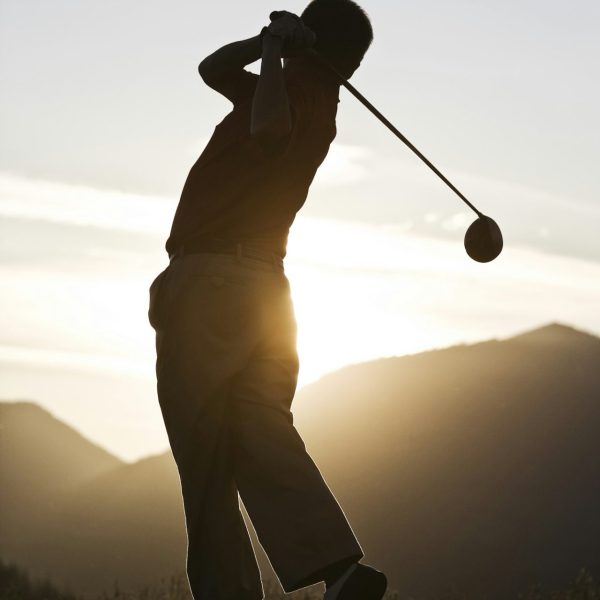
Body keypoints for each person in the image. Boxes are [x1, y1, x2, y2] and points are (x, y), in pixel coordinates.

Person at [147, 2, 387, 599]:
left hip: (213, 286)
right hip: (264, 296)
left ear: (311, 40)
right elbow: (211, 68)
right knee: (260, 431)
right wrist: (264, 43)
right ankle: (341, 572)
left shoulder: (295, 96)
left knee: (204, 461)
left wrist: (279, 51)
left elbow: (268, 131)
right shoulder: (308, 95)